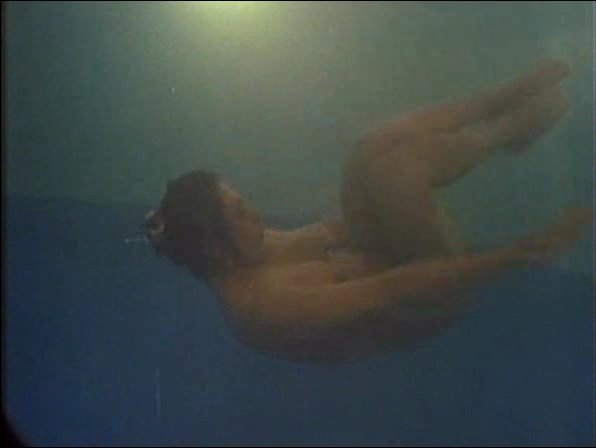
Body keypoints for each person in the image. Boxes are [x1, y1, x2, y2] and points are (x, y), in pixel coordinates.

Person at [144, 58, 592, 364]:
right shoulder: (269, 306)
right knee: (399, 171)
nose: (256, 215)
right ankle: (508, 130)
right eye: (241, 213)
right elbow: (396, 288)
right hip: (422, 305)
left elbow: (332, 232)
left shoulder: (243, 249)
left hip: (379, 263)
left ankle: (503, 106)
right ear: (217, 250)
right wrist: (521, 252)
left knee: (369, 151)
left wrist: (372, 200)